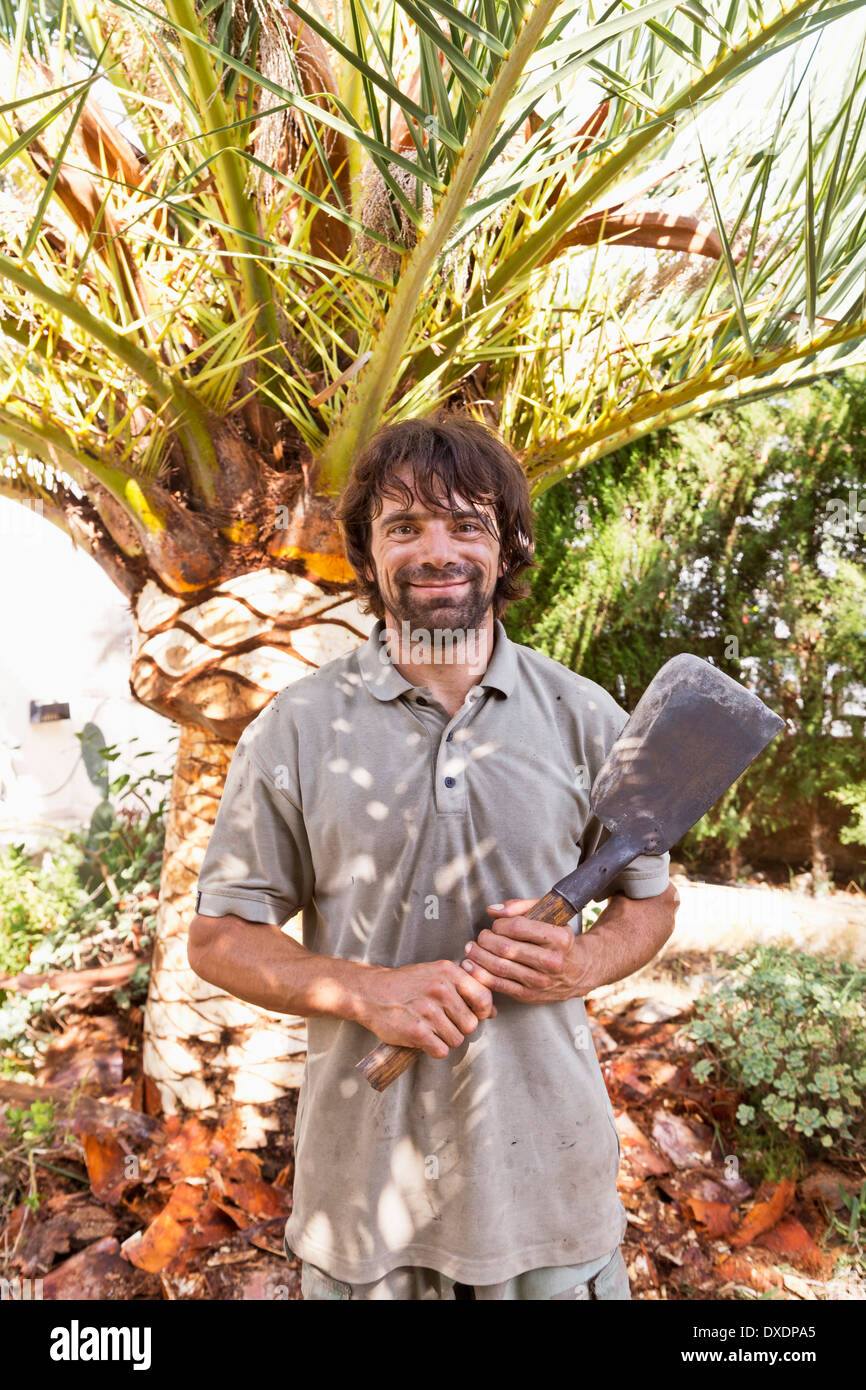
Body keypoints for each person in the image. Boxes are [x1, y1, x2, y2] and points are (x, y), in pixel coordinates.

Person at [188, 411, 679, 1300]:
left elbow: (648, 899)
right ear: (368, 555)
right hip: (362, 1199)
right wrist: (365, 990)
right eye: (405, 526)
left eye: (467, 523)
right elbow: (220, 936)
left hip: (548, 1196)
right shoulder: (296, 730)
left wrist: (585, 960)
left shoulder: (587, 719)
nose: (436, 550)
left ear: (509, 546)